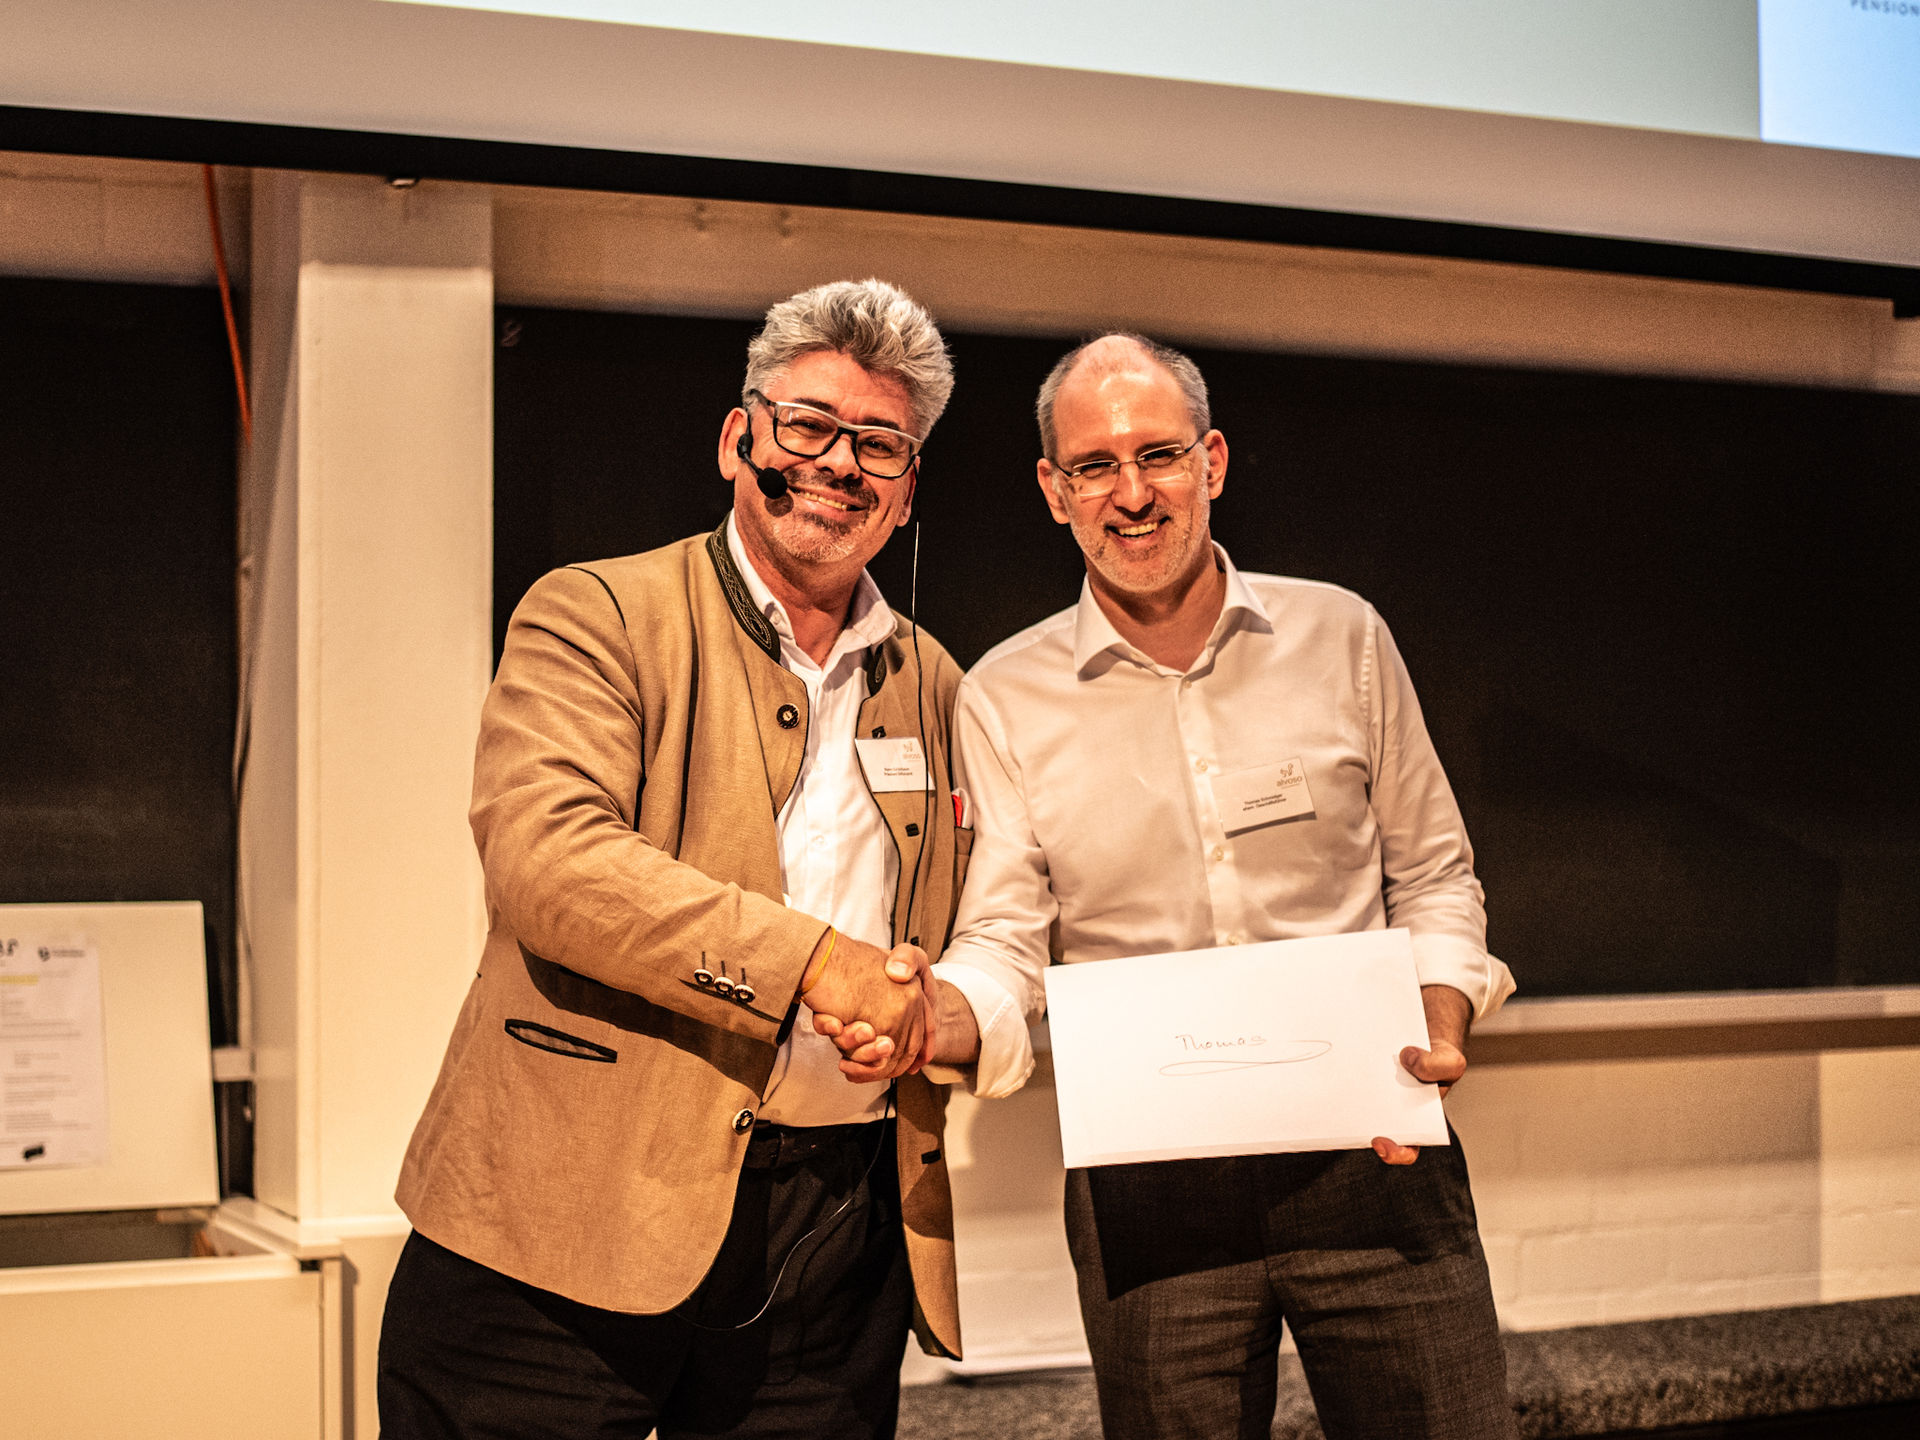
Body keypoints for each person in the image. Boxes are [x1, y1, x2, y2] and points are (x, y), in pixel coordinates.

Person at [379, 279, 984, 1440]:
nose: (839, 463)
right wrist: (819, 966)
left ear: (908, 491)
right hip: (560, 1222)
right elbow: (553, 864)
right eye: (808, 425)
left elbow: (977, 918)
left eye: (879, 445)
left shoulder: (940, 681)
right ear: (737, 439)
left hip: (833, 1239)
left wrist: (936, 1013)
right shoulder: (597, 613)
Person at [910, 332, 1520, 1439]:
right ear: (1053, 490)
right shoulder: (1003, 694)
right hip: (1148, 1183)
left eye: (1160, 455)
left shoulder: (1343, 637)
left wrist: (1437, 1028)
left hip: (1373, 1153)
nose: (1132, 493)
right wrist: (941, 1012)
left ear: (1213, 462)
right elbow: (1003, 934)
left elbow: (1434, 874)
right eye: (1094, 466)